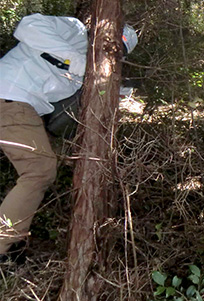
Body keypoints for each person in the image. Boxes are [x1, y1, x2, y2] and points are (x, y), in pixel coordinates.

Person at [0, 14, 138, 260]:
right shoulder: (73, 30)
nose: (111, 53)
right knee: (39, 170)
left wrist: (113, 90)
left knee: (39, 168)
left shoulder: (93, 69)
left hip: (22, 106)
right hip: (10, 96)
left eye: (118, 52)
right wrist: (78, 61)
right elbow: (28, 25)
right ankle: (5, 245)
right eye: (111, 46)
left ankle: (13, 240)